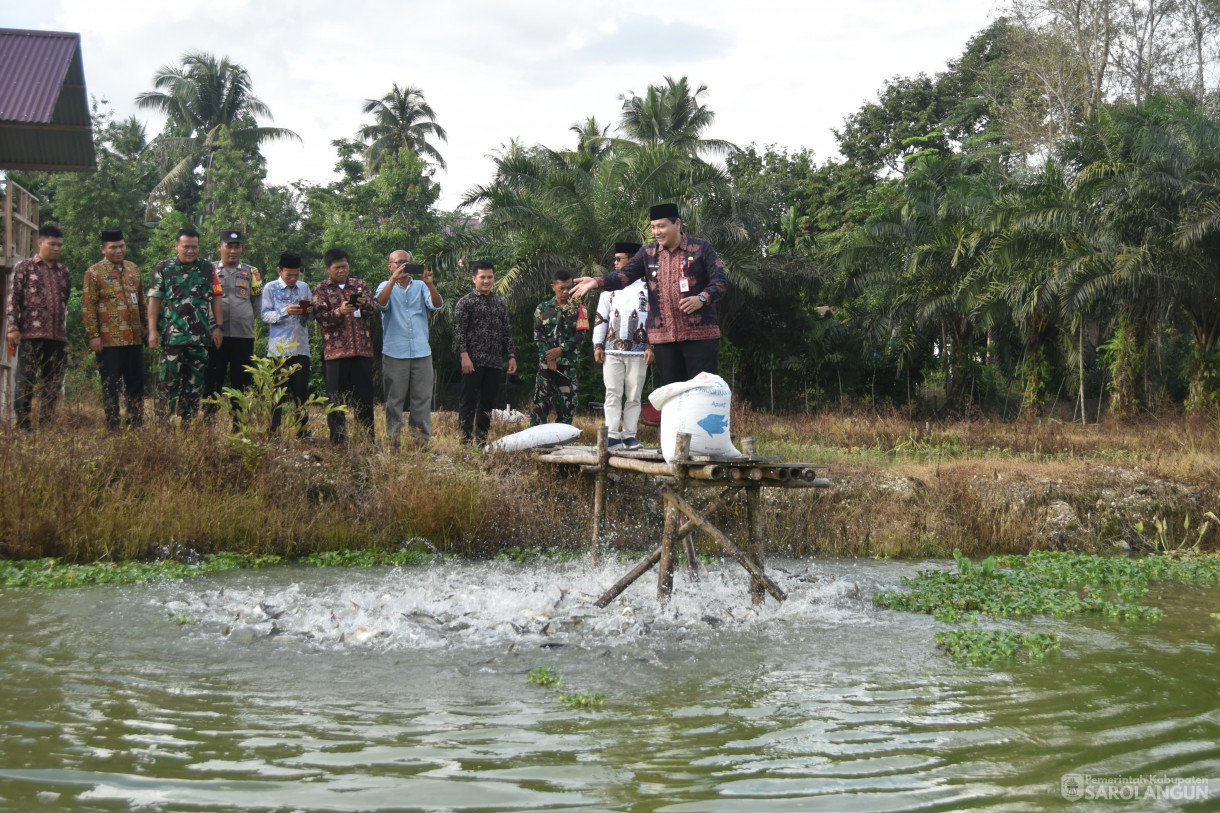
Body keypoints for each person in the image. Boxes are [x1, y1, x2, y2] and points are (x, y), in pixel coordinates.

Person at [572, 203, 727, 387]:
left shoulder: (701, 248)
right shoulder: (648, 253)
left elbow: (720, 281)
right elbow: (624, 276)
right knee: (672, 395)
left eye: (661, 226)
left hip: (700, 337)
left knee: (702, 392)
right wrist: (598, 282)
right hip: (664, 339)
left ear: (677, 224)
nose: (656, 232)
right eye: (653, 227)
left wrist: (702, 298)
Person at [147, 228, 224, 423]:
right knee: (167, 385)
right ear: (177, 246)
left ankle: (188, 426)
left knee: (194, 387)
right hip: (172, 338)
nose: (190, 250)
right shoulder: (164, 267)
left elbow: (216, 298)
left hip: (200, 340)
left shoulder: (208, 268)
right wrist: (152, 330)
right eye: (186, 246)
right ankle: (163, 426)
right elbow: (155, 300)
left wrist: (218, 327)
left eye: (194, 247)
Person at [5, 223, 71, 431]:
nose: (56, 248)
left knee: (53, 382)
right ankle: (24, 425)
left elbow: (65, 299)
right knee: (26, 380)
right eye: (52, 244)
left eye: (59, 245)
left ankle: (47, 424)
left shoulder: (63, 272)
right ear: (40, 243)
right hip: (30, 334)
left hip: (57, 335)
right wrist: (13, 328)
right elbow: (13, 299)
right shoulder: (23, 267)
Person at [375, 250, 442, 446]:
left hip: (422, 351)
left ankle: (420, 442)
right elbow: (380, 304)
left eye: (406, 262)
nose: (403, 266)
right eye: (398, 262)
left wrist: (430, 284)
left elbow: (436, 304)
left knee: (422, 398)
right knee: (394, 400)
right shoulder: (384, 286)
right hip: (395, 353)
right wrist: (392, 281)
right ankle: (393, 441)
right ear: (390, 266)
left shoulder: (421, 286)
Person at [82, 229, 147, 431]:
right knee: (110, 385)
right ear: (103, 249)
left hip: (134, 337)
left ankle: (135, 423)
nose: (119, 250)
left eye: (121, 246)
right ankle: (112, 424)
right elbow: (89, 306)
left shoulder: (133, 269)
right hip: (109, 341)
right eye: (113, 247)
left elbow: (142, 301)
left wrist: (147, 328)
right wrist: (94, 335)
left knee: (136, 383)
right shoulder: (94, 272)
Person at [313, 248, 379, 445]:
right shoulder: (321, 289)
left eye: (345, 266)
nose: (342, 271)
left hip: (362, 350)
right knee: (336, 399)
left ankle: (367, 439)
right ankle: (338, 440)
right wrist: (340, 312)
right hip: (336, 353)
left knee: (365, 398)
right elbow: (320, 317)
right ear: (328, 268)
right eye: (337, 268)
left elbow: (375, 308)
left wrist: (364, 302)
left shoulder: (359, 285)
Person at [593, 241, 650, 450]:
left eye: (619, 259)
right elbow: (601, 317)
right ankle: (612, 435)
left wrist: (652, 346)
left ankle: (629, 435)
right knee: (612, 392)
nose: (615, 263)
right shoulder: (609, 287)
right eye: (615, 259)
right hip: (611, 349)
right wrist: (597, 345)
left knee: (634, 395)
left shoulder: (649, 286)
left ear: (632, 260)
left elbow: (655, 318)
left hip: (639, 350)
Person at [453, 260, 517, 445]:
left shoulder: (499, 303)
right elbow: (459, 332)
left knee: (487, 404)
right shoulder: (465, 302)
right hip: (472, 361)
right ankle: (464, 443)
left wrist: (511, 355)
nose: (487, 280)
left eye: (490, 277)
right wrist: (464, 356)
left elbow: (506, 330)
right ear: (474, 278)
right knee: (468, 403)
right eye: (482, 277)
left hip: (495, 362)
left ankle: (481, 442)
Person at [204, 229, 262, 412]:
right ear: (220, 246)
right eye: (229, 246)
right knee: (213, 379)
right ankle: (208, 421)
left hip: (243, 335)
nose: (233, 251)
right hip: (215, 333)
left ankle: (239, 423)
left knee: (241, 381)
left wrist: (243, 316)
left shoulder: (251, 271)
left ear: (242, 249)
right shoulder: (208, 269)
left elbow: (256, 303)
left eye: (237, 247)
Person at [260, 252, 313, 436]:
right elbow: (265, 315)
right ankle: (274, 432)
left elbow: (312, 317)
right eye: (289, 275)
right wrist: (285, 311)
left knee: (301, 394)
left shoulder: (304, 287)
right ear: (279, 270)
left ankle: (303, 432)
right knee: (277, 395)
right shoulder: (270, 288)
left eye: (297, 275)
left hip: (300, 348)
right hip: (278, 351)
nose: (293, 279)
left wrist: (309, 311)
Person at [530, 269, 588, 426]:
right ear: (553, 287)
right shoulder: (542, 309)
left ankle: (563, 443)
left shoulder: (580, 309)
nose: (566, 291)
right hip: (546, 366)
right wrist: (550, 358)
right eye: (562, 288)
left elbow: (580, 336)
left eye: (569, 287)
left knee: (567, 405)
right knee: (542, 403)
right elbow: (538, 336)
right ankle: (536, 442)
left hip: (568, 366)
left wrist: (560, 350)